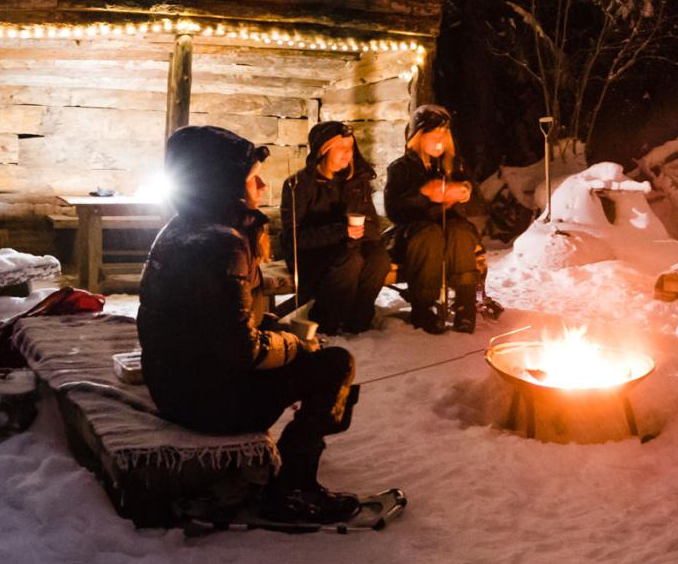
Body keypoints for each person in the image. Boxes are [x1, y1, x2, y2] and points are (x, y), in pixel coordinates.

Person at [137, 124, 360, 523]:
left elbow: (222, 318)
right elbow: (243, 350)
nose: (261, 184)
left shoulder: (183, 229)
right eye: (251, 176)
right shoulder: (223, 244)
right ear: (223, 184)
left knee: (315, 353)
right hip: (210, 403)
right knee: (336, 364)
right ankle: (293, 486)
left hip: (176, 387)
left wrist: (279, 328)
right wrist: (296, 345)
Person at [280, 121, 392, 336]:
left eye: (350, 148)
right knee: (351, 260)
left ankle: (358, 320)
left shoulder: (356, 181)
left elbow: (373, 226)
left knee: (379, 258)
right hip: (310, 254)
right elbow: (294, 237)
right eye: (340, 149)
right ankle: (327, 322)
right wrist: (341, 230)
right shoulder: (299, 185)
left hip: (351, 246)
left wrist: (361, 231)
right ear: (323, 151)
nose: (347, 155)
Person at [384, 104, 481, 334]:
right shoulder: (401, 169)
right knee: (430, 235)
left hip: (452, 232)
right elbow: (393, 209)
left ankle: (466, 308)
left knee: (460, 233)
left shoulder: (455, 165)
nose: (439, 139)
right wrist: (424, 194)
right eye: (433, 133)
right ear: (418, 136)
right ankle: (423, 308)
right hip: (414, 235)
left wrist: (465, 192)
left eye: (443, 133)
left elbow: (478, 203)